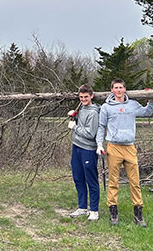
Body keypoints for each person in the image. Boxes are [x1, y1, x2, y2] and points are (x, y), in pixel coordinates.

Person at [96, 78, 153, 227]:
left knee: (135, 182)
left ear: (125, 89)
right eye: (116, 87)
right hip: (113, 147)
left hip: (129, 147)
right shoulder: (106, 107)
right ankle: (113, 213)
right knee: (113, 181)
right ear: (112, 90)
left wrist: (151, 100)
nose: (119, 90)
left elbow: (147, 112)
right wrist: (99, 144)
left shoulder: (132, 105)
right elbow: (101, 126)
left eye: (121, 87)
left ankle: (138, 214)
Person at [68, 84, 101, 221]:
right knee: (78, 178)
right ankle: (82, 207)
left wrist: (75, 127)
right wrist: (73, 117)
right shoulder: (81, 107)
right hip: (76, 147)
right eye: (81, 97)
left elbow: (90, 133)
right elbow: (80, 124)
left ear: (91, 96)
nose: (83, 99)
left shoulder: (93, 112)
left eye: (86, 97)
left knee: (91, 179)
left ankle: (94, 210)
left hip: (88, 149)